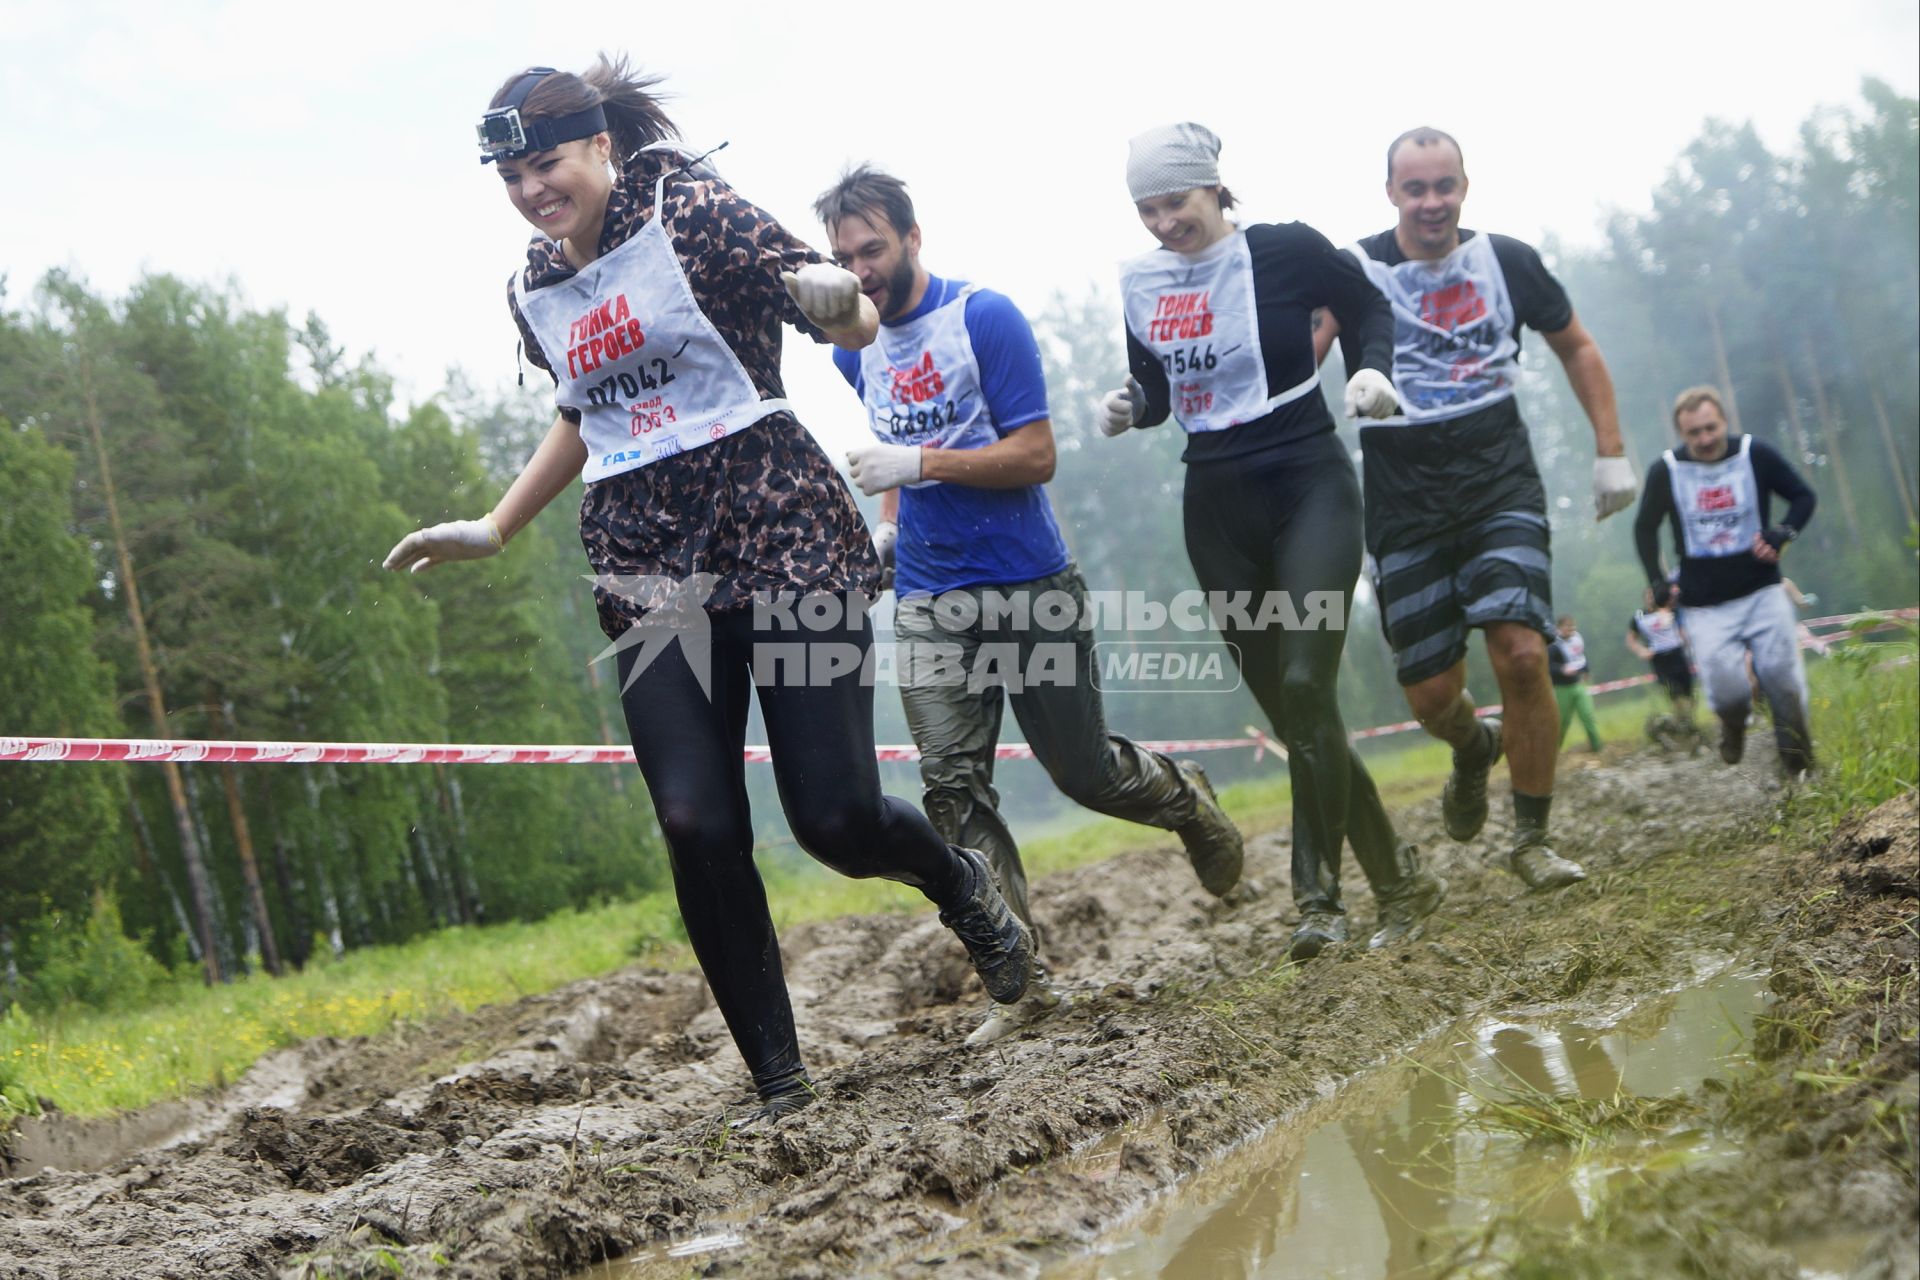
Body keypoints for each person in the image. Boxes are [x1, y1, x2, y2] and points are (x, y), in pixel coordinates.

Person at [381, 58, 1034, 1124]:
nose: (533, 190)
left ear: (599, 145)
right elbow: (582, 407)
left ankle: (962, 885)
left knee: (833, 816)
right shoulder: (534, 283)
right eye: (511, 175)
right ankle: (781, 1082)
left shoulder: (691, 208)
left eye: (547, 162)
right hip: (646, 556)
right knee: (693, 815)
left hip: (776, 521)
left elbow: (836, 308)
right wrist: (498, 524)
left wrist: (847, 313)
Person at [812, 165, 1245, 1044]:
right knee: (952, 788)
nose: (862, 272)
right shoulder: (850, 351)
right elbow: (898, 446)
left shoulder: (984, 317)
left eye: (874, 249)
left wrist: (920, 467)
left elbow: (1036, 455)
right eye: (845, 257)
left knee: (1083, 774)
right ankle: (1019, 981)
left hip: (1028, 582)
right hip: (933, 596)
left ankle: (1185, 798)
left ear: (912, 236)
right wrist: (892, 525)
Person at [1099, 122, 1446, 959]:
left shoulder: (1285, 247)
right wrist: (1130, 405)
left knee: (1303, 681)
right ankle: (1401, 882)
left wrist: (1373, 369)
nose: (1161, 222)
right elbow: (1154, 385)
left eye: (1174, 202)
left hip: (1308, 482)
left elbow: (1366, 302)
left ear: (1214, 187)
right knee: (1300, 714)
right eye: (1146, 208)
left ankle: (1318, 904)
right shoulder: (1142, 280)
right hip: (1215, 502)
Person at [1335, 126, 1638, 891]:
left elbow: (1579, 346)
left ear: (1464, 187)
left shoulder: (1506, 260)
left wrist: (1610, 450)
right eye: (1416, 189)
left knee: (1524, 653)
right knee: (1433, 696)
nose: (1431, 203)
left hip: (1499, 478)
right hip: (1403, 499)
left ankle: (1531, 840)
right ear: (1391, 194)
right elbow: (1294, 351)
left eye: (1445, 186)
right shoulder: (1357, 269)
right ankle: (1473, 747)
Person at [1633, 385, 1818, 778]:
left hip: (1762, 590)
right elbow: (1645, 528)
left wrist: (1783, 533)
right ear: (1681, 434)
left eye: (1710, 429)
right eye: (1693, 434)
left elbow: (1803, 497)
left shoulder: (1756, 454)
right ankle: (1733, 726)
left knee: (1784, 683)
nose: (1704, 440)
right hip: (1704, 603)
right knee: (1729, 693)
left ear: (1724, 421)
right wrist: (1658, 579)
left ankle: (1799, 768)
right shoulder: (1666, 470)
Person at [1625, 588, 1699, 747]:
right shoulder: (1639, 617)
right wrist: (1641, 650)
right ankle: (1682, 723)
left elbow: (1682, 631)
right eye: (1648, 596)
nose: (1651, 599)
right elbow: (1631, 639)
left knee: (1689, 692)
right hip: (1659, 658)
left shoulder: (1671, 611)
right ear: (1644, 599)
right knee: (1674, 691)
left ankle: (1688, 721)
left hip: (1677, 653)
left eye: (1653, 595)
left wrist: (1691, 645)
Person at [1549, 615, 1603, 753]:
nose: (1571, 630)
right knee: (1562, 722)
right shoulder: (1553, 645)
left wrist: (1586, 670)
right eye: (1567, 627)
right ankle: (1554, 752)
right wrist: (1562, 669)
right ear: (1559, 628)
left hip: (1577, 684)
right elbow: (1548, 667)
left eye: (1573, 627)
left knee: (1587, 715)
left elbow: (1581, 657)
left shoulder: (1576, 639)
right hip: (1561, 688)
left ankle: (1597, 747)